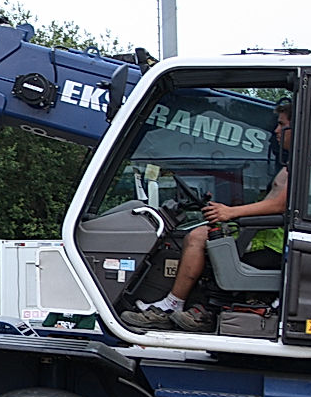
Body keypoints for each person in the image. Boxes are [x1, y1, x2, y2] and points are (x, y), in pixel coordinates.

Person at [123, 98, 294, 332]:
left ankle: (173, 305)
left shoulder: (302, 166)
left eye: (281, 124)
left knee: (199, 236)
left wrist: (230, 212)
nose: (275, 130)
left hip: (272, 244)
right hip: (262, 233)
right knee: (199, 234)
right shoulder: (289, 165)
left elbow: (279, 206)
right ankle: (183, 304)